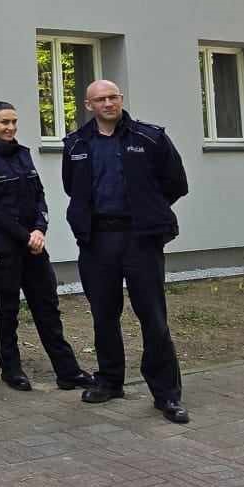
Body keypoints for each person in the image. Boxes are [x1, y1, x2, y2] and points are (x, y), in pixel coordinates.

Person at [63, 80, 191, 424]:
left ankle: (166, 394)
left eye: (113, 97)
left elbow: (176, 182)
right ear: (89, 105)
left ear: (121, 100)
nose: (108, 103)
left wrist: (149, 207)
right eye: (101, 99)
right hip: (97, 240)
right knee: (103, 314)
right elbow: (70, 186)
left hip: (140, 239)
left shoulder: (149, 138)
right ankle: (109, 381)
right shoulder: (76, 144)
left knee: (153, 317)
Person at [0, 101, 92, 393]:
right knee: (6, 309)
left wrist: (40, 229)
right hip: (2, 246)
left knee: (47, 308)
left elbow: (39, 197)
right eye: (3, 122)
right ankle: (11, 370)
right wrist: (26, 236)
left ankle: (67, 371)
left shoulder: (23, 154)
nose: (10, 128)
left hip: (33, 245)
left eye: (13, 122)